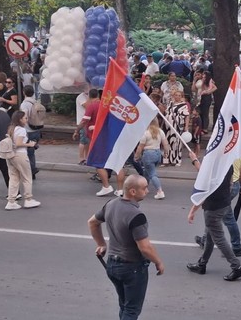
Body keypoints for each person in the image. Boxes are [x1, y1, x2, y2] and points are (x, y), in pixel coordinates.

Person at [88, 175, 164, 320]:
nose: (147, 191)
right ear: (133, 192)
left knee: (124, 306)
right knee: (131, 310)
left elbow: (92, 222)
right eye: (144, 188)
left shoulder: (110, 204)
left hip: (113, 265)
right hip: (132, 268)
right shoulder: (137, 215)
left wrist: (101, 244)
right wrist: (158, 262)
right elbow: (145, 247)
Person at [186, 164, 241, 281]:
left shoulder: (212, 165)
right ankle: (202, 264)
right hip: (224, 204)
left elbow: (204, 190)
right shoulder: (228, 163)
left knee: (219, 239)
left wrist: (192, 211)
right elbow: (230, 183)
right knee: (210, 236)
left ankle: (236, 266)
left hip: (213, 207)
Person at [3, 110, 40, 210]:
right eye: (25, 118)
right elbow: (19, 143)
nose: (27, 120)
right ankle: (28, 199)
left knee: (13, 178)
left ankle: (11, 201)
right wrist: (30, 144)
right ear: (20, 119)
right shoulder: (21, 130)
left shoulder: (11, 129)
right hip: (20, 155)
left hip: (10, 154)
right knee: (27, 177)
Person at [134, 118, 169, 200]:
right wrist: (166, 153)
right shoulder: (160, 131)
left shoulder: (146, 133)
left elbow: (140, 147)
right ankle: (144, 188)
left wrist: (136, 156)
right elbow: (165, 144)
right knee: (147, 172)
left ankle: (160, 191)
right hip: (158, 153)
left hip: (148, 154)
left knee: (152, 174)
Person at [19, 85, 43, 179]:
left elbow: (24, 117)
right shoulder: (36, 102)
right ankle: (32, 170)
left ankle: (30, 170)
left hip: (28, 130)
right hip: (36, 129)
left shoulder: (25, 104)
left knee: (27, 152)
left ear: (24, 92)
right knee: (31, 152)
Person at [165, 90, 189, 167]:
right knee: (168, 142)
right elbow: (167, 112)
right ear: (174, 96)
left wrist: (186, 127)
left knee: (177, 143)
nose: (177, 97)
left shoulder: (184, 105)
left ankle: (177, 160)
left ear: (181, 96)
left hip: (177, 126)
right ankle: (167, 160)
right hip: (168, 127)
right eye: (176, 95)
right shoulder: (170, 103)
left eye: (179, 95)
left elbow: (187, 116)